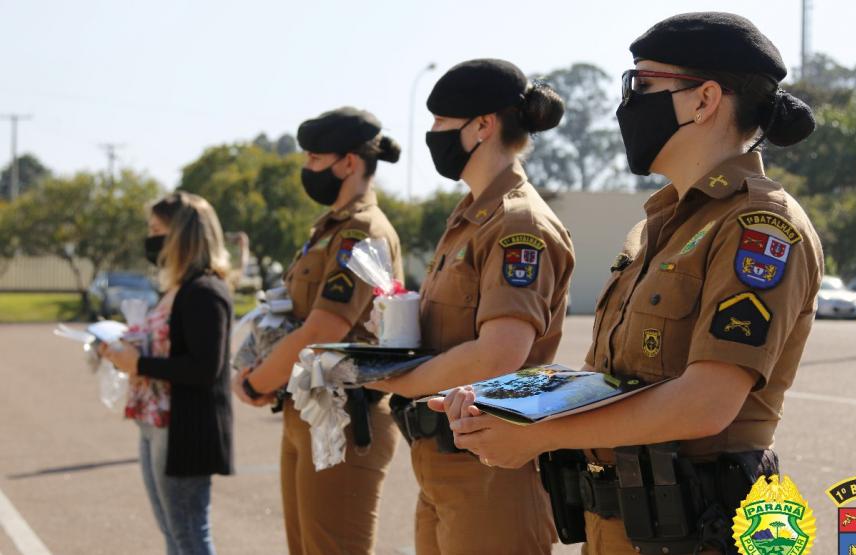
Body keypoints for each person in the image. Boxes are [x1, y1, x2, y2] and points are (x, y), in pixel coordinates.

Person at [438, 13, 823, 555]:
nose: (627, 104)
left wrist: (539, 437)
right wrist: (506, 403)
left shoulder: (759, 225)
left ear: (704, 99)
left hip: (698, 532)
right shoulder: (655, 227)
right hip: (617, 524)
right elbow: (609, 379)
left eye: (641, 84)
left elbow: (707, 402)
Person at [366, 58, 575, 555]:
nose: (432, 133)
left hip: (491, 467)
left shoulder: (517, 223)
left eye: (441, 122)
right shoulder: (469, 217)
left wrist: (391, 380)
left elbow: (500, 355)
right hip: (443, 458)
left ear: (483, 125)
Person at [231, 107, 403, 555]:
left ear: (349, 162)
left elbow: (324, 328)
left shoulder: (361, 231)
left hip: (344, 418)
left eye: (314, 159)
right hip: (306, 409)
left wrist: (255, 382)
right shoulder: (329, 229)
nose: (307, 170)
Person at [101, 191, 234, 555]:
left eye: (157, 229)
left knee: (188, 533)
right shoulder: (177, 289)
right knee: (174, 532)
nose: (151, 237)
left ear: (183, 235)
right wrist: (125, 349)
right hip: (156, 422)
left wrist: (139, 364)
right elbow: (172, 347)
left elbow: (206, 367)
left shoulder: (205, 291)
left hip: (183, 430)